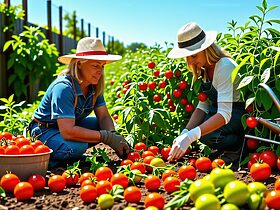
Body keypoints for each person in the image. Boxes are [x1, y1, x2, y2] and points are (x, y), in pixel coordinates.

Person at [29, 37, 130, 168]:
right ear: (79, 63)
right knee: (77, 147)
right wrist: (106, 137)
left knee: (99, 124)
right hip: (44, 131)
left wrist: (114, 135)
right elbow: (67, 131)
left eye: (102, 66)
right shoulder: (64, 88)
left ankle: (69, 156)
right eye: (95, 65)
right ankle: (51, 161)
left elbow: (103, 116)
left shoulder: (94, 86)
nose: (100, 71)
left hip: (66, 127)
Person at [167, 22, 245, 164]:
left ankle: (238, 145)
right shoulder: (205, 69)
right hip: (219, 111)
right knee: (200, 130)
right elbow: (203, 106)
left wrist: (192, 136)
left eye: (194, 56)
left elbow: (225, 114)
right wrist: (185, 133)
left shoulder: (224, 66)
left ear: (206, 49)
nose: (190, 61)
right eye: (188, 57)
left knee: (205, 134)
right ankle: (224, 145)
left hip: (236, 113)